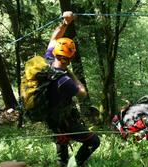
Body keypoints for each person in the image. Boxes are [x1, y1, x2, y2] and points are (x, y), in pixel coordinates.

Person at [43, 11, 100, 167]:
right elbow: (82, 94)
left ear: (55, 53)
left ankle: (62, 163)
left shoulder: (46, 61)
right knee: (94, 141)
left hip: (51, 116)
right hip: (64, 120)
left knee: (62, 140)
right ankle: (75, 164)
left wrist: (65, 24)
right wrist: (73, 76)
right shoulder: (65, 80)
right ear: (70, 57)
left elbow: (54, 38)